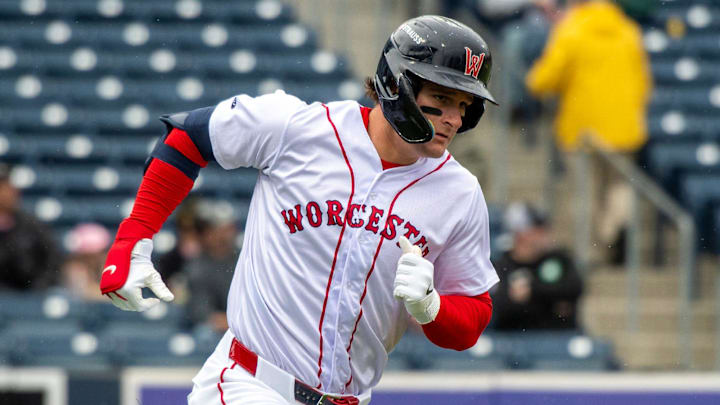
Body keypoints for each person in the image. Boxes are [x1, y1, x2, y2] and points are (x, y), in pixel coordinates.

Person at [100, 15, 499, 404]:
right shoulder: (300, 128)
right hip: (252, 383)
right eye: (442, 98)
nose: (454, 118)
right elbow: (189, 136)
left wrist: (431, 306)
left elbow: (470, 321)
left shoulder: (460, 194)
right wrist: (133, 239)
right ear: (398, 84)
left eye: (464, 104)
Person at [525, 0, 652, 263]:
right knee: (620, 186)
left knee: (585, 192)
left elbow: (545, 79)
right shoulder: (629, 30)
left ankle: (589, 253)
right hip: (624, 127)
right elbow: (644, 82)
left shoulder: (571, 30)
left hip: (583, 129)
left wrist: (535, 81)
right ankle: (616, 228)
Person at [490, 202, 583, 331]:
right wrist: (550, 300)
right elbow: (498, 304)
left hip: (557, 337)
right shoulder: (501, 265)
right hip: (513, 339)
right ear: (521, 234)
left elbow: (574, 288)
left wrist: (532, 289)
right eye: (537, 230)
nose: (544, 234)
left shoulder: (557, 259)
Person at [183, 199, 239, 334]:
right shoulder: (197, 267)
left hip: (243, 328)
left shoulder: (244, 260)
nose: (222, 235)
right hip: (214, 333)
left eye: (227, 229)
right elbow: (202, 314)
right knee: (204, 333)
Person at [0, 163, 59, 291]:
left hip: (30, 294)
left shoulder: (32, 225)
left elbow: (52, 262)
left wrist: (37, 290)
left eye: (6, 187)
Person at [60, 222, 111, 301]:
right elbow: (82, 293)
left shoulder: (107, 264)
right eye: (84, 256)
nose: (89, 260)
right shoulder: (74, 268)